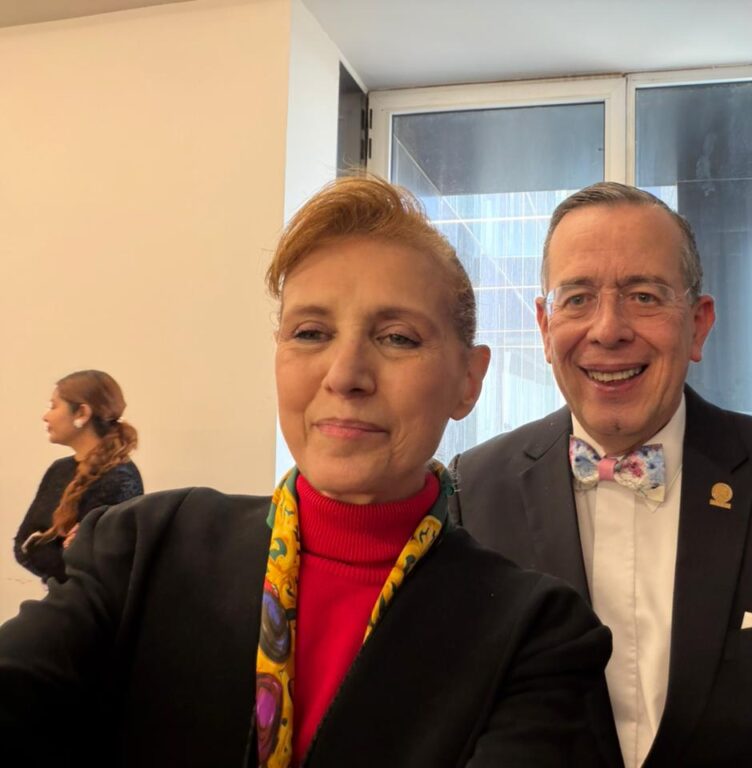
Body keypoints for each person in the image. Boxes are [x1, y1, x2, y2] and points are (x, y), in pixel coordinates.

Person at [0, 176, 611, 768]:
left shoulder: (534, 632)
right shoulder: (143, 548)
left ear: (468, 380)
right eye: (311, 332)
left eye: (397, 338)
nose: (344, 375)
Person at [449, 182, 752, 767]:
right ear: (545, 327)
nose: (608, 329)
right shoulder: (475, 491)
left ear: (698, 325)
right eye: (577, 299)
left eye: (644, 296)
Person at [14, 370, 143, 583]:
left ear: (82, 413)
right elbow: (22, 546)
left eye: (53, 406)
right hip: (61, 596)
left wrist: (39, 545)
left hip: (90, 603)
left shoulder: (120, 479)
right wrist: (53, 550)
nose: (45, 416)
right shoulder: (59, 470)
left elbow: (94, 569)